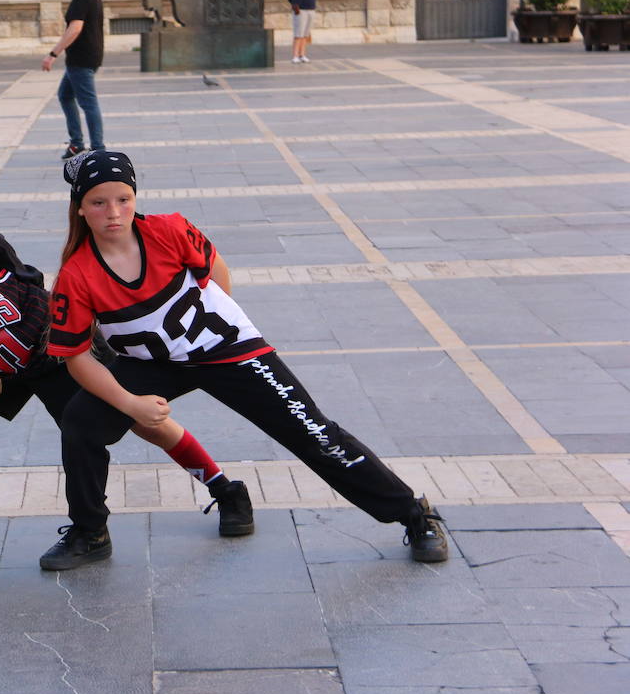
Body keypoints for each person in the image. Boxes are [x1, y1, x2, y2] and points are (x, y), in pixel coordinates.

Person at [47, 151, 450, 564]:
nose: (114, 212)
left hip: (227, 350)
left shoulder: (169, 229)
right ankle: (89, 531)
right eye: (99, 202)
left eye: (123, 199)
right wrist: (129, 403)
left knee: (313, 432)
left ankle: (414, 514)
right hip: (154, 363)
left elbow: (216, 273)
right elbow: (77, 358)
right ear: (80, 207)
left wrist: (212, 336)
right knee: (81, 422)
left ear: (135, 197)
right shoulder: (76, 275)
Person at [0, 182, 253, 568]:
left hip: (53, 351)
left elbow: (33, 292)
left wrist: (5, 359)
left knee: (145, 421)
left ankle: (225, 489)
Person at [42, 0, 104, 160]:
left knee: (88, 103)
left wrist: (53, 53)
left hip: (82, 58)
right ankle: (77, 143)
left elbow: (75, 28)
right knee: (66, 96)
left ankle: (98, 149)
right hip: (81, 58)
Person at [288, 0, 326, 64]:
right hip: (300, 10)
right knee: (298, 34)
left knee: (305, 35)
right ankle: (295, 56)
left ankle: (302, 55)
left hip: (311, 9)